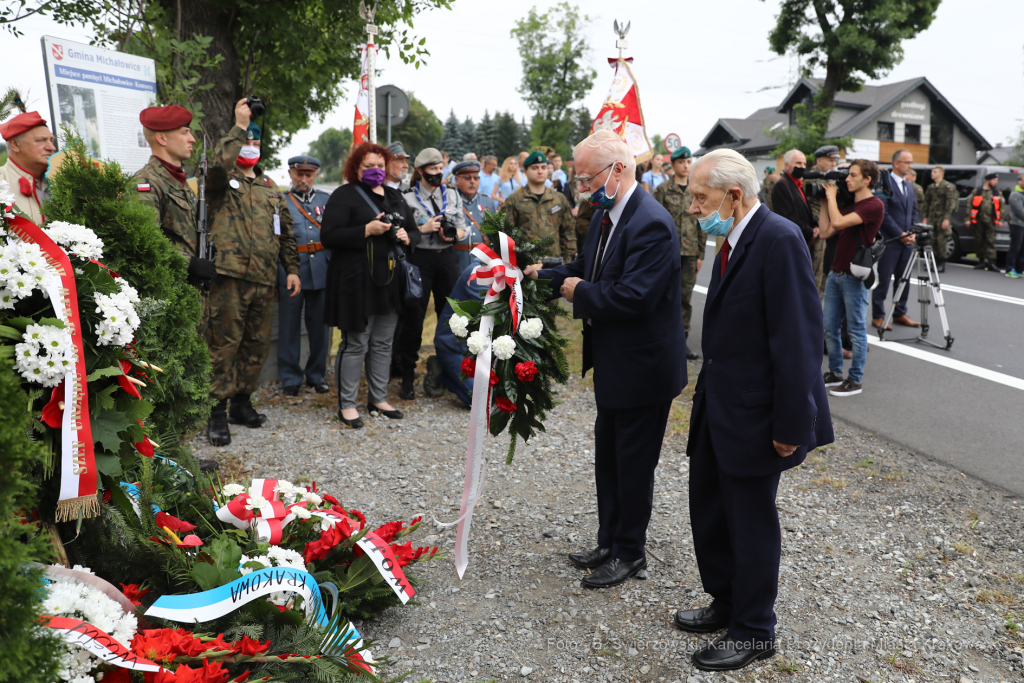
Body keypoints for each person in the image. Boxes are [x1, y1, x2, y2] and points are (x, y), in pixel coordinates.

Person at [676, 148, 833, 672]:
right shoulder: (731, 240)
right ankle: (726, 601)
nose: (695, 208)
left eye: (702, 196)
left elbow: (798, 341)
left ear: (735, 195)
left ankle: (754, 630)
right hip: (719, 403)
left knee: (750, 522)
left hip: (757, 412)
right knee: (711, 511)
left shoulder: (779, 239)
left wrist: (792, 423)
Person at [527, 129, 686, 590]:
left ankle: (630, 552)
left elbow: (634, 296)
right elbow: (587, 268)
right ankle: (609, 539)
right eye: (577, 176)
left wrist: (581, 292)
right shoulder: (605, 215)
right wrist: (546, 274)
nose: (579, 185)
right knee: (609, 457)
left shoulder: (651, 223)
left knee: (633, 463)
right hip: (616, 363)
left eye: (586, 176)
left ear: (618, 169)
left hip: (644, 367)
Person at [204, 99, 301, 447]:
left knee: (256, 345)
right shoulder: (220, 181)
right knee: (224, 346)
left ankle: (241, 404)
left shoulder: (270, 189)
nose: (251, 147)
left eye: (256, 142)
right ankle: (215, 412)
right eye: (247, 141)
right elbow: (215, 166)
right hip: (228, 277)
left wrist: (291, 270)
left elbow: (287, 233)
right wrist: (240, 126)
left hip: (263, 278)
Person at [320, 142, 417, 428]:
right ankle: (347, 404)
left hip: (390, 279)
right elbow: (329, 236)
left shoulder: (395, 195)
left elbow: (412, 230)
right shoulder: (344, 195)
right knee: (356, 342)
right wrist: (366, 229)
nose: (375, 171)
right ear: (356, 168)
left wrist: (409, 237)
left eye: (379, 165)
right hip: (356, 280)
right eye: (368, 166)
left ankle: (378, 397)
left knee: (383, 341)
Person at [396, 148, 466, 400]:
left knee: (451, 316)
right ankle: (407, 374)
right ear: (420, 172)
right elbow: (402, 232)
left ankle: (447, 372)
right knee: (414, 316)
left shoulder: (453, 195)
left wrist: (453, 235)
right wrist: (423, 229)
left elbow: (462, 228)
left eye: (440, 169)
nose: (438, 174)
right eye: (432, 170)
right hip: (420, 259)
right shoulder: (407, 197)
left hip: (447, 258)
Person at [818, 160, 885, 397]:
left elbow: (837, 223)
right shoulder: (850, 207)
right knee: (829, 327)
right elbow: (826, 231)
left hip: (854, 277)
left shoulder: (873, 205)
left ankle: (855, 379)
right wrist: (825, 201)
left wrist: (833, 196)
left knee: (856, 330)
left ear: (867, 179)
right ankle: (835, 373)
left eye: (853, 175)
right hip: (836, 273)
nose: (847, 179)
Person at [133, 105, 216, 289]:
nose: (192, 139)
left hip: (192, 293)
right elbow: (146, 243)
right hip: (170, 294)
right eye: (185, 132)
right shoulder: (146, 183)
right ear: (162, 138)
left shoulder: (180, 183)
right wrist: (191, 264)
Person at [277, 154, 332, 397]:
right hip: (291, 271)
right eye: (299, 174)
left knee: (319, 326)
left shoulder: (326, 200)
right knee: (289, 326)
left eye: (308, 174)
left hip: (321, 269)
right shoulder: (281, 201)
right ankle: (290, 377)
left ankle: (317, 374)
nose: (303, 179)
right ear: (290, 174)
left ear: (316, 175)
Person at [653, 146, 704, 360]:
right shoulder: (663, 190)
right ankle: (662, 339)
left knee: (685, 298)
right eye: (681, 162)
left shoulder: (697, 190)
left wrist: (701, 253)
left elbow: (703, 220)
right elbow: (654, 222)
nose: (686, 166)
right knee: (664, 296)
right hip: (668, 252)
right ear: (673, 165)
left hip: (691, 251)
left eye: (689, 162)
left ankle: (681, 343)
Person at [872, 149, 919, 329]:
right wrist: (900, 234)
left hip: (906, 242)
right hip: (890, 241)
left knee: (904, 279)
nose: (910, 166)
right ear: (896, 163)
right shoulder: (885, 183)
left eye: (911, 163)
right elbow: (883, 213)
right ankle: (878, 315)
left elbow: (913, 211)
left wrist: (913, 231)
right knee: (884, 279)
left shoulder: (908, 185)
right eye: (907, 162)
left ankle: (900, 313)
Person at [431, 264, 488, 405]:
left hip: (478, 349)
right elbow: (495, 313)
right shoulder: (478, 274)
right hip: (454, 349)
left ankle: (449, 372)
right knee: (482, 402)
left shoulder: (504, 273)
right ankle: (443, 374)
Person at [503, 151, 575, 261]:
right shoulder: (514, 200)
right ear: (526, 171)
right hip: (525, 265)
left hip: (555, 264)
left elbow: (568, 232)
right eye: (535, 168)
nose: (540, 171)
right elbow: (506, 236)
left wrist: (567, 262)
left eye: (543, 167)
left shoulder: (559, 199)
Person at [0, 110, 55, 225]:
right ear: (15, 144)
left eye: (51, 140)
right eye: (40, 140)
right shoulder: (1, 180)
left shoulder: (60, 181)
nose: (52, 148)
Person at [804, 145, 841, 294]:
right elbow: (810, 208)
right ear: (819, 160)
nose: (833, 164)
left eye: (835, 161)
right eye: (830, 160)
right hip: (818, 229)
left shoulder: (833, 177)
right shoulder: (811, 179)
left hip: (833, 228)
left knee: (827, 269)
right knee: (817, 271)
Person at [450, 159, 499, 272]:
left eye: (476, 178)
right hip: (458, 260)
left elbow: (494, 234)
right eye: (467, 178)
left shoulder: (487, 201)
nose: (472, 181)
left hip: (483, 261)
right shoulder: (450, 201)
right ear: (457, 179)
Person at [770, 150, 815, 255]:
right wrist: (811, 232)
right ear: (786, 165)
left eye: (804, 164)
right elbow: (788, 216)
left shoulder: (797, 183)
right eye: (798, 163)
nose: (802, 167)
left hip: (803, 239)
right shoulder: (781, 185)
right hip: (793, 241)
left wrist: (815, 226)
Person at [921, 166, 958, 273]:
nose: (932, 173)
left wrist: (946, 219)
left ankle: (941, 263)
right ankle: (933, 261)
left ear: (941, 174)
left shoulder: (948, 187)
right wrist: (925, 218)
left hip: (942, 217)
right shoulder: (931, 187)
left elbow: (950, 203)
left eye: (935, 172)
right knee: (931, 240)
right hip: (932, 218)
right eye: (932, 171)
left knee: (941, 241)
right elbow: (927, 203)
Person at [965, 173, 1003, 272]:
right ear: (988, 180)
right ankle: (981, 261)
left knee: (990, 241)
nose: (996, 182)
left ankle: (991, 262)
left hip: (991, 220)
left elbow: (1001, 207)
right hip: (978, 220)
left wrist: (1001, 220)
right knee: (979, 241)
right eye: (994, 180)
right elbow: (970, 205)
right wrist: (967, 219)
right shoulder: (978, 191)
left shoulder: (996, 192)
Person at [1007, 173, 1024, 278]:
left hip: (1023, 225)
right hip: (1017, 224)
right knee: (1015, 247)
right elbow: (1019, 211)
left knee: (1022, 248)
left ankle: (1020, 268)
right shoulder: (1015, 194)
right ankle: (1010, 268)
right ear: (1019, 182)